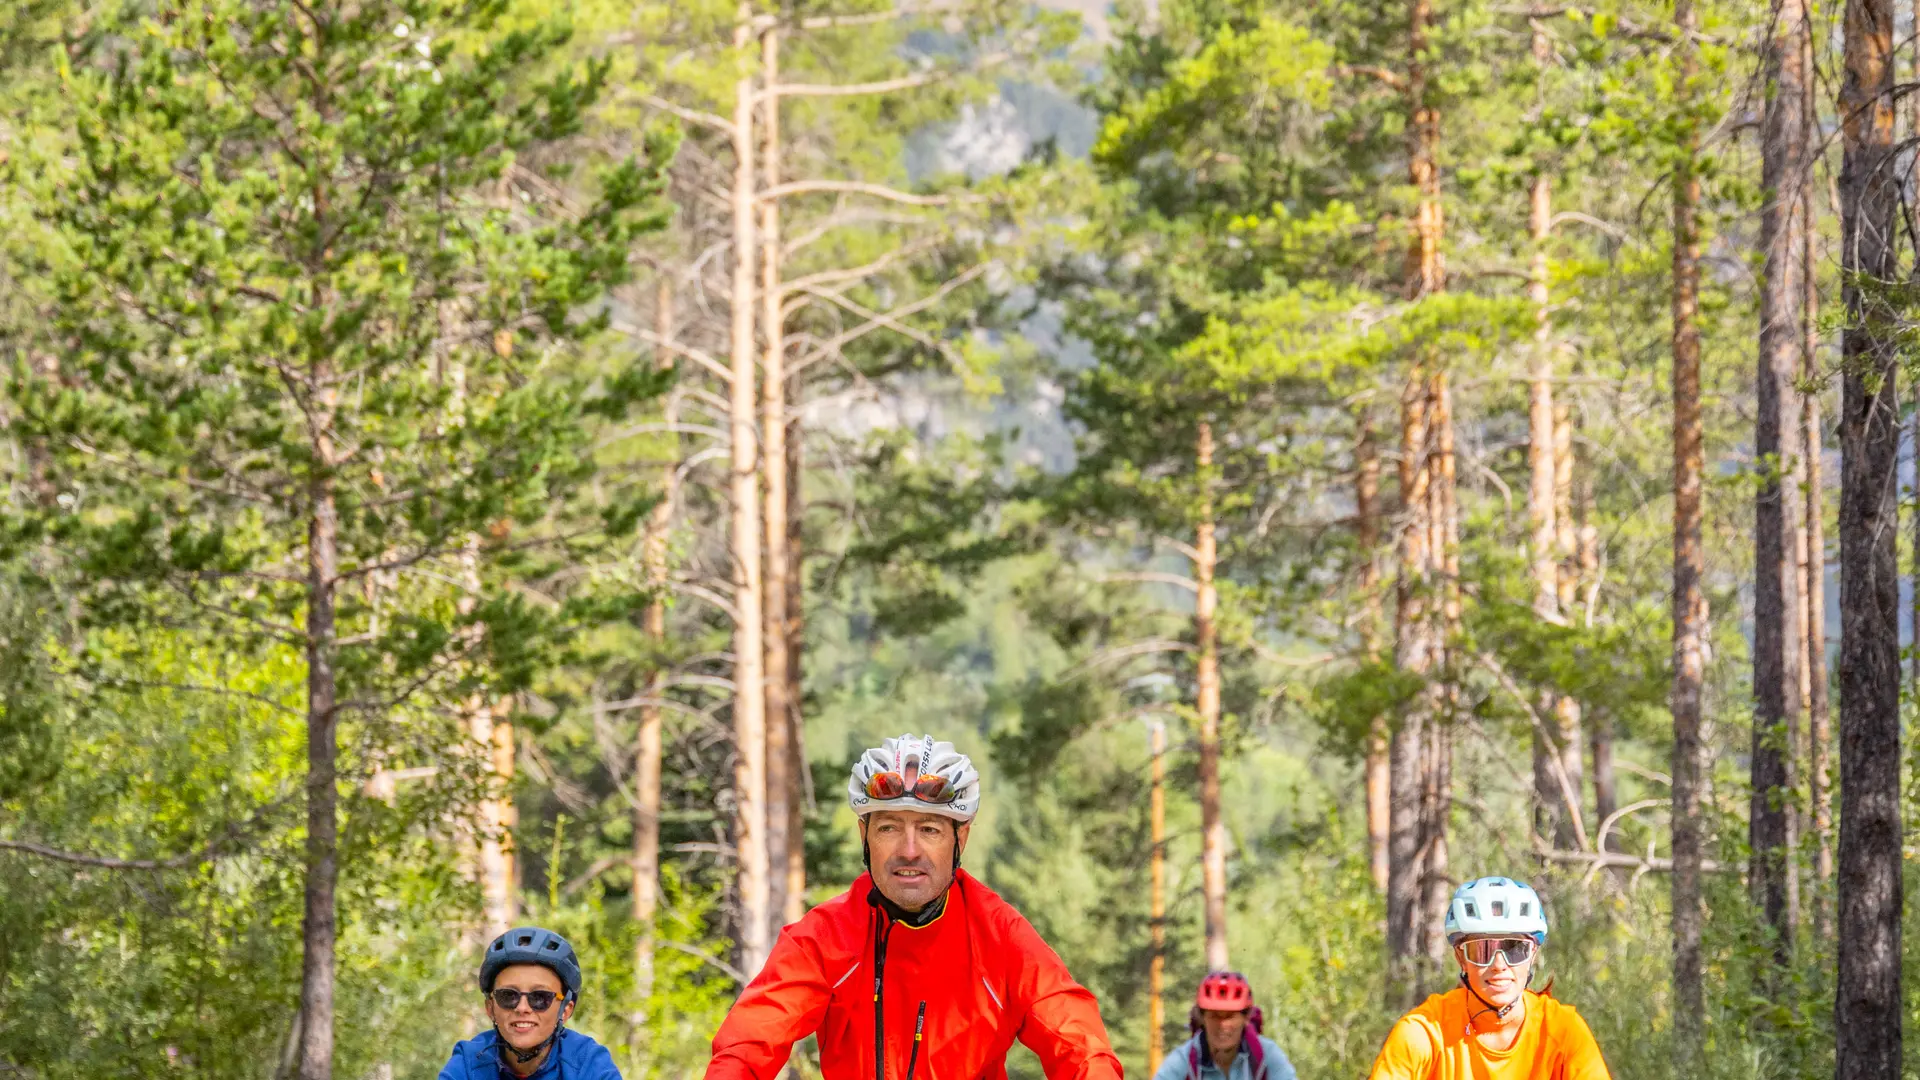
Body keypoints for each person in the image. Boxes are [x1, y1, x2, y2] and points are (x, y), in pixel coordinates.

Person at [705, 733, 1124, 1080]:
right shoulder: (823, 938)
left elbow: (1080, 1046)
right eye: (889, 827)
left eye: (929, 829)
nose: (909, 850)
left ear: (960, 840)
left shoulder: (1002, 938)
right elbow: (748, 1043)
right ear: (864, 836)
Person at [1365, 877, 1611, 1080]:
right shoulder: (1426, 1032)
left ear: (1532, 955)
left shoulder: (1562, 1029)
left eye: (1515, 948)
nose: (1499, 965)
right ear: (1461, 958)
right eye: (1482, 950)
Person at [438, 925, 624, 1080]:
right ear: (490, 1008)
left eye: (540, 997)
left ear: (565, 1010)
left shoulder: (588, 1063)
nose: (522, 1008)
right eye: (508, 996)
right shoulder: (469, 1062)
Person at [1149, 972, 1297, 1080]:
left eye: (1230, 1016)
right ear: (1202, 1018)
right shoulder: (1183, 1060)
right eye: (1214, 1016)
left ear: (1246, 1017)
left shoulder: (1266, 1057)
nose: (1222, 1024)